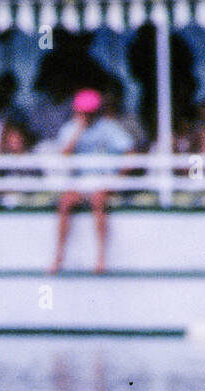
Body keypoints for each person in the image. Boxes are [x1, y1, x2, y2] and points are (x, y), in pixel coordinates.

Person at [50, 89, 135, 274]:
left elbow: (129, 151)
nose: (86, 116)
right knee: (65, 203)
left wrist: (117, 180)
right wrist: (78, 132)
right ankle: (59, 256)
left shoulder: (108, 127)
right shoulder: (69, 129)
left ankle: (101, 258)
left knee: (98, 201)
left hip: (104, 181)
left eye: (89, 112)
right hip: (80, 182)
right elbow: (64, 155)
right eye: (82, 112)